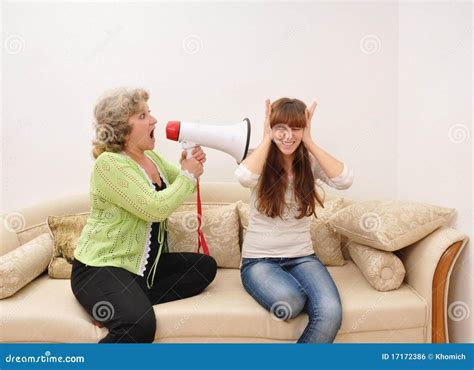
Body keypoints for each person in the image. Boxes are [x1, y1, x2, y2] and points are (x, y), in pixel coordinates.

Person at [71, 88, 217, 343]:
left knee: (204, 268)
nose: (153, 120)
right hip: (102, 267)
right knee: (140, 325)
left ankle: (121, 303)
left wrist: (188, 166)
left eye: (149, 113)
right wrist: (187, 175)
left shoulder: (150, 157)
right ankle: (122, 309)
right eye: (142, 115)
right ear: (121, 128)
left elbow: (181, 185)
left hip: (141, 268)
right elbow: (156, 207)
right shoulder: (109, 164)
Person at [235, 98, 354, 343]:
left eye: (296, 128)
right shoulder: (259, 158)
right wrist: (267, 137)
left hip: (302, 257)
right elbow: (244, 177)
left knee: (330, 312)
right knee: (291, 301)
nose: (288, 136)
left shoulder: (309, 163)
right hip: (259, 262)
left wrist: (309, 141)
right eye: (281, 128)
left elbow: (345, 180)